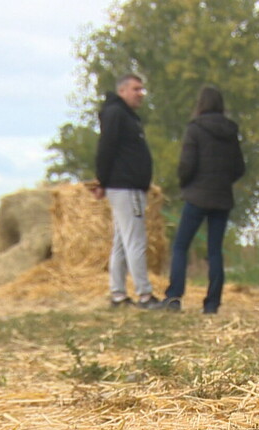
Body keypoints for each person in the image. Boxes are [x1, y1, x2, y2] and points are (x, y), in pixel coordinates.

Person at [159, 86, 245, 314]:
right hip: (222, 197)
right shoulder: (231, 131)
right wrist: (223, 182)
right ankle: (212, 304)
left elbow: (187, 164)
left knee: (180, 246)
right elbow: (239, 167)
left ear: (200, 104)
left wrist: (185, 183)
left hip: (196, 196)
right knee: (215, 251)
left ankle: (174, 298)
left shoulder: (194, 129)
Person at [93, 73, 161, 309]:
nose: (140, 94)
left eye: (142, 89)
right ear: (122, 91)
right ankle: (144, 295)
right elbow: (106, 147)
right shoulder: (117, 114)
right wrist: (102, 180)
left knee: (122, 243)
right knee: (135, 241)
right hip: (126, 186)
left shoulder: (124, 115)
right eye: (136, 89)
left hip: (125, 185)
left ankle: (118, 294)